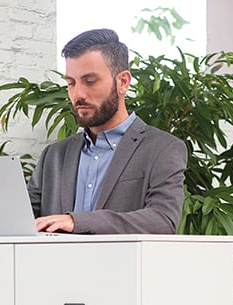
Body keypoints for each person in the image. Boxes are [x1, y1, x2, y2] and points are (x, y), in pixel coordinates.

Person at [29, 29, 187, 234]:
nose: (78, 94)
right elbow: (21, 219)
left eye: (90, 81)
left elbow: (163, 220)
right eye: (71, 83)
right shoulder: (54, 155)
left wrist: (78, 222)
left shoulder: (163, 148)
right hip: (53, 266)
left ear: (123, 82)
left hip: (122, 266)